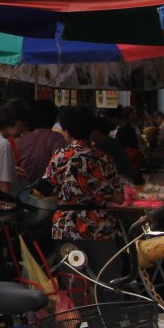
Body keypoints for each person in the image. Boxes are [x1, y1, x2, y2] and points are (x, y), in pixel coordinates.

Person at [34, 105, 124, 302]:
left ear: (67, 132)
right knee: (107, 280)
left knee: (74, 281)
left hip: (68, 226)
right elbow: (119, 198)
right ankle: (111, 322)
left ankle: (79, 324)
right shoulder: (104, 159)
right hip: (100, 226)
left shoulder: (60, 157)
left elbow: (43, 190)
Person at [15, 100, 66, 188]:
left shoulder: (20, 139)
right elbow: (59, 166)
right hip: (45, 192)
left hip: (21, 191)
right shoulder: (56, 138)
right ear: (53, 119)